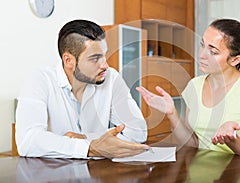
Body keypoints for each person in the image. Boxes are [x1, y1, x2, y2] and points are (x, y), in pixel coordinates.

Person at [137, 18, 240, 158]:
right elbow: (193, 143)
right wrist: (172, 113)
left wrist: (232, 140)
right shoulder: (194, 86)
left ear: (235, 60)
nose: (201, 55)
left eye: (213, 52)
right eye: (202, 45)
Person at [16, 19, 150, 159]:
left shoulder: (111, 78)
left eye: (104, 55)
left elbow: (138, 131)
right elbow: (28, 141)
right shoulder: (39, 79)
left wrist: (87, 138)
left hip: (98, 175)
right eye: (94, 58)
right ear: (69, 61)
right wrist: (90, 148)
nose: (105, 65)